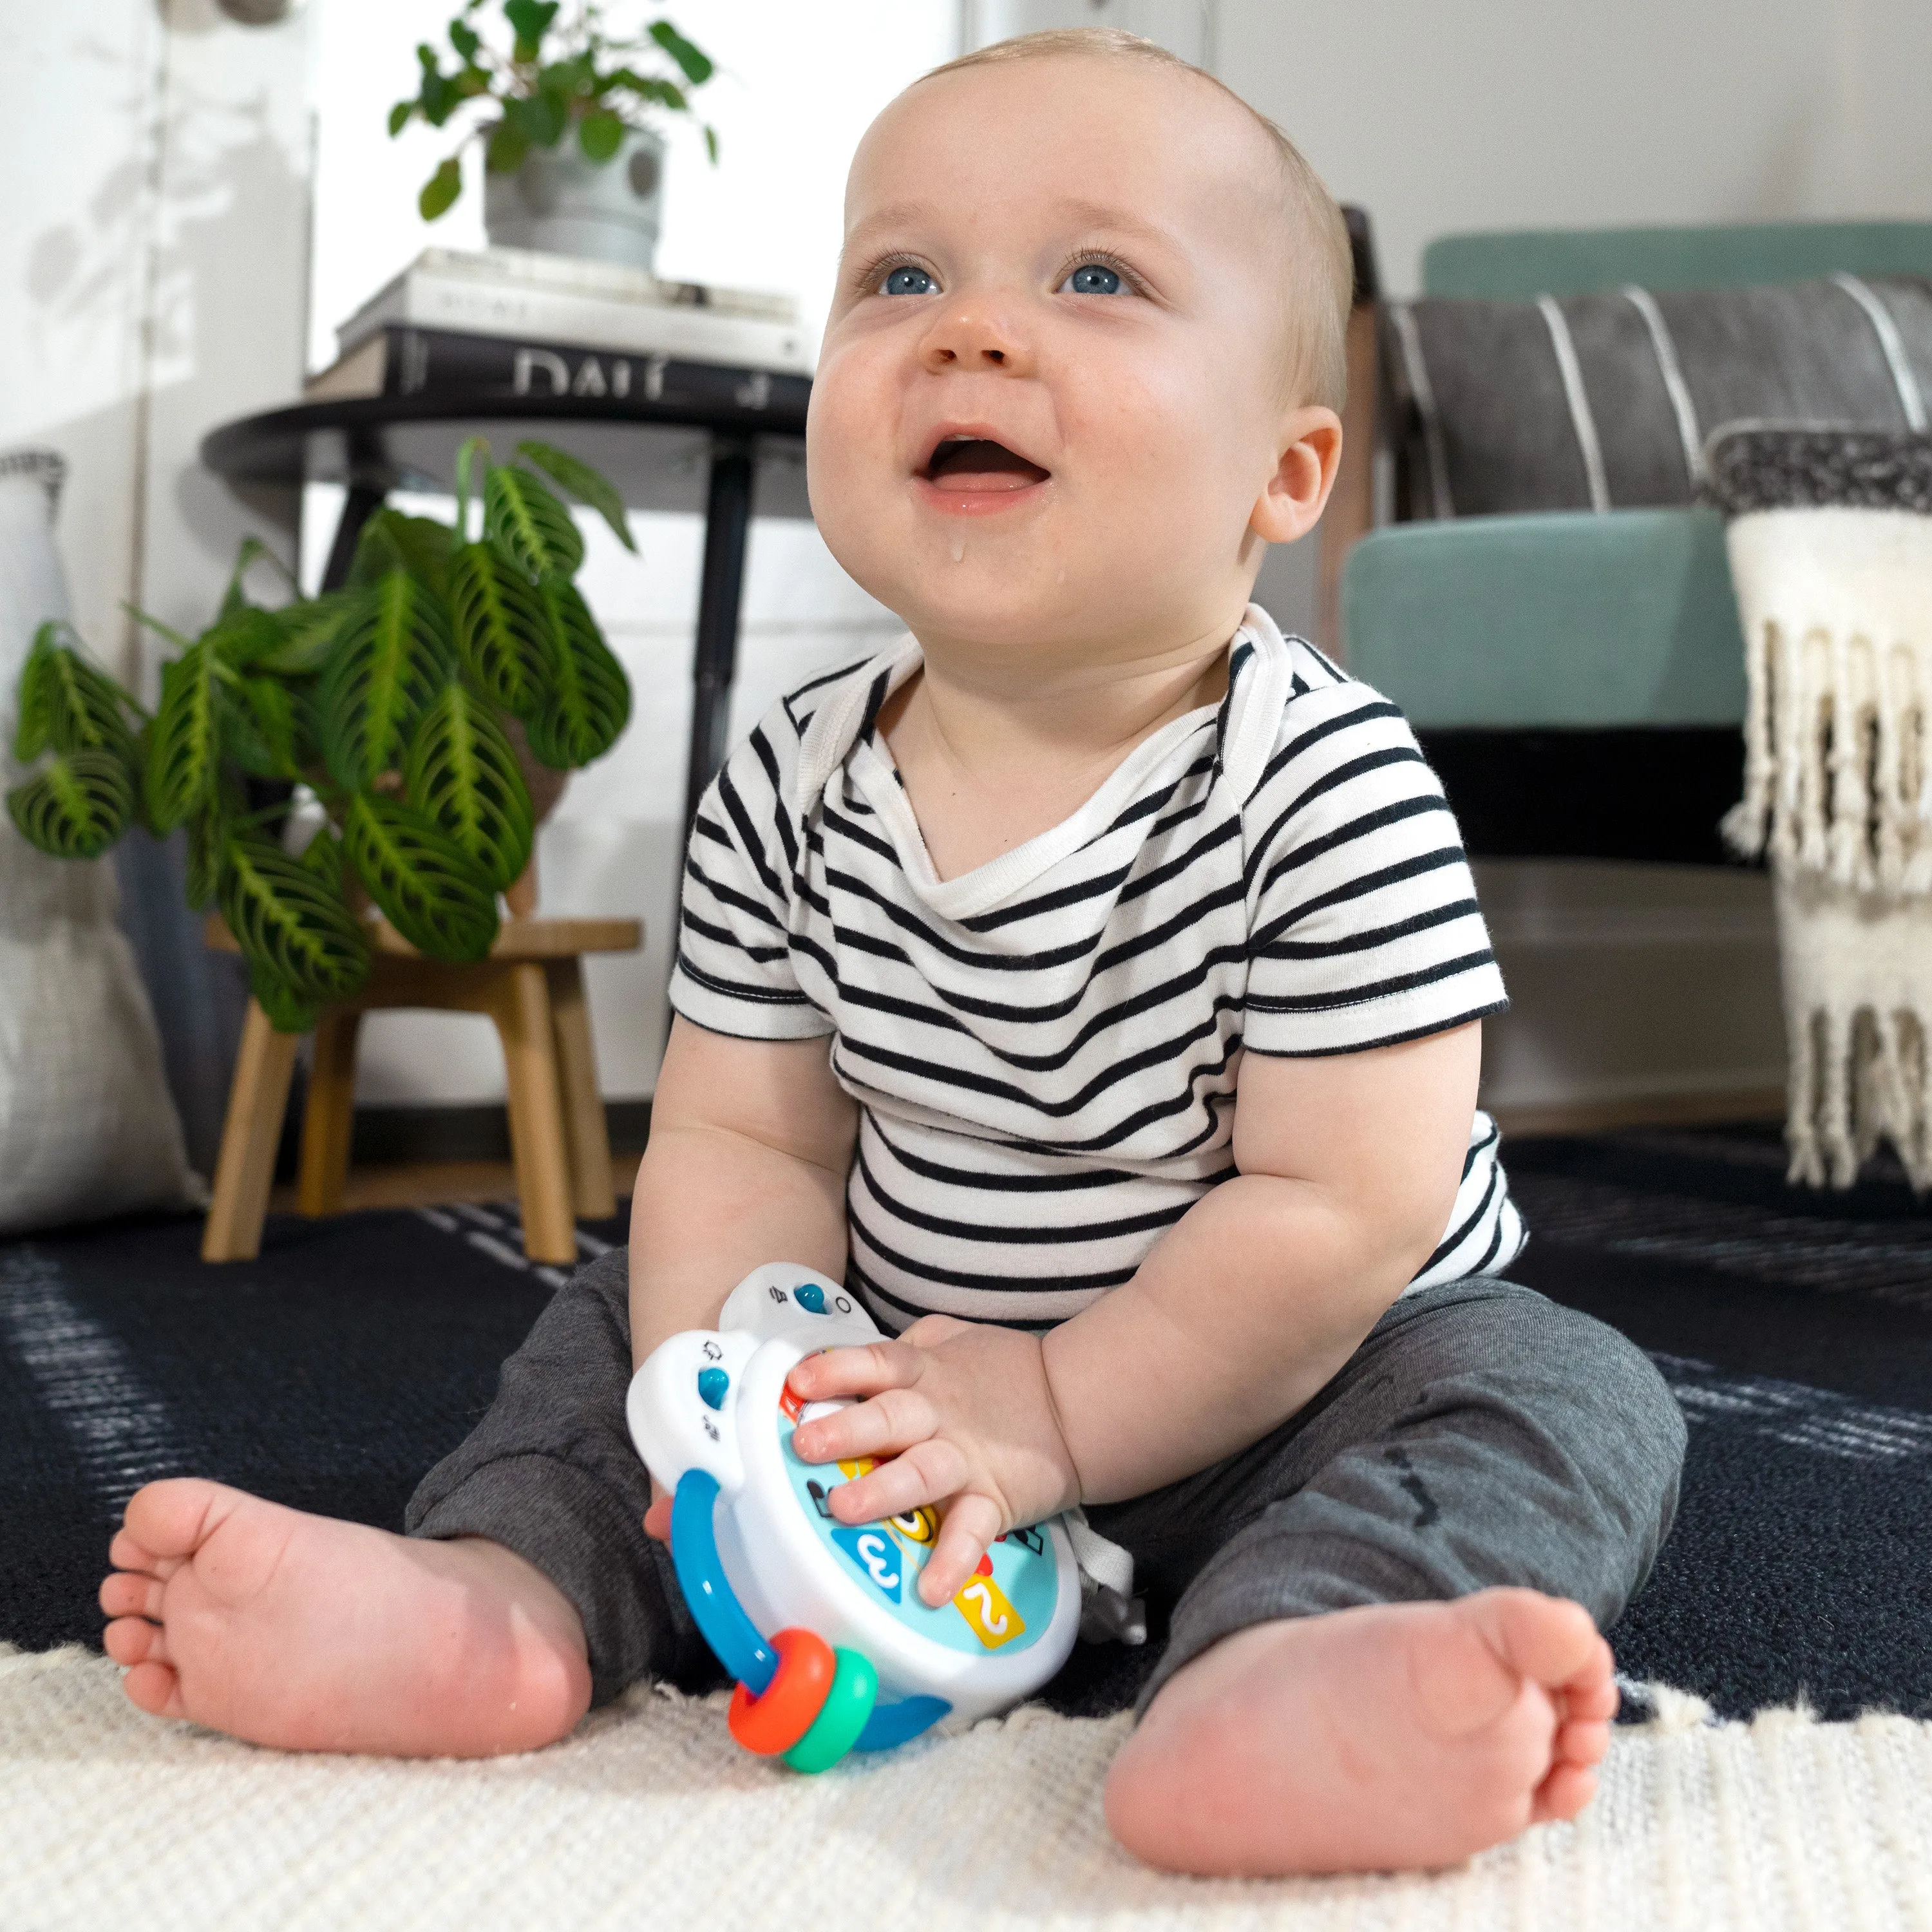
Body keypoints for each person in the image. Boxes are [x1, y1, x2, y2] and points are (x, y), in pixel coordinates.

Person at [97, 28, 1685, 1876]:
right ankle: (498, 1600)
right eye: (900, 275)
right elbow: (746, 1145)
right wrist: (743, 1432)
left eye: (1096, 278)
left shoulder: (1327, 784)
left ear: (1287, 471)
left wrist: (1058, 1413)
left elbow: (1342, 1209)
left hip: (1287, 1383)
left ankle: (1290, 1666)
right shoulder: (788, 775)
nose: (973, 328)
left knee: (1562, 1392)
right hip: (892, 1372)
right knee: (614, 1323)